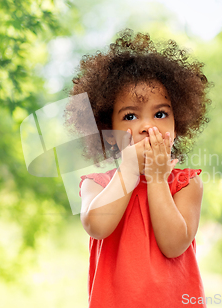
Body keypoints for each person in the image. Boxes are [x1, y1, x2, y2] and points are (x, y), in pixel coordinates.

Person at [66, 28, 212, 308]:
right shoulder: (95, 184)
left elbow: (174, 245)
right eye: (130, 115)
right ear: (108, 129)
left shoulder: (186, 184)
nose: (148, 126)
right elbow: (96, 226)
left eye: (160, 114)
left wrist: (157, 178)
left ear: (177, 125)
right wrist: (130, 171)